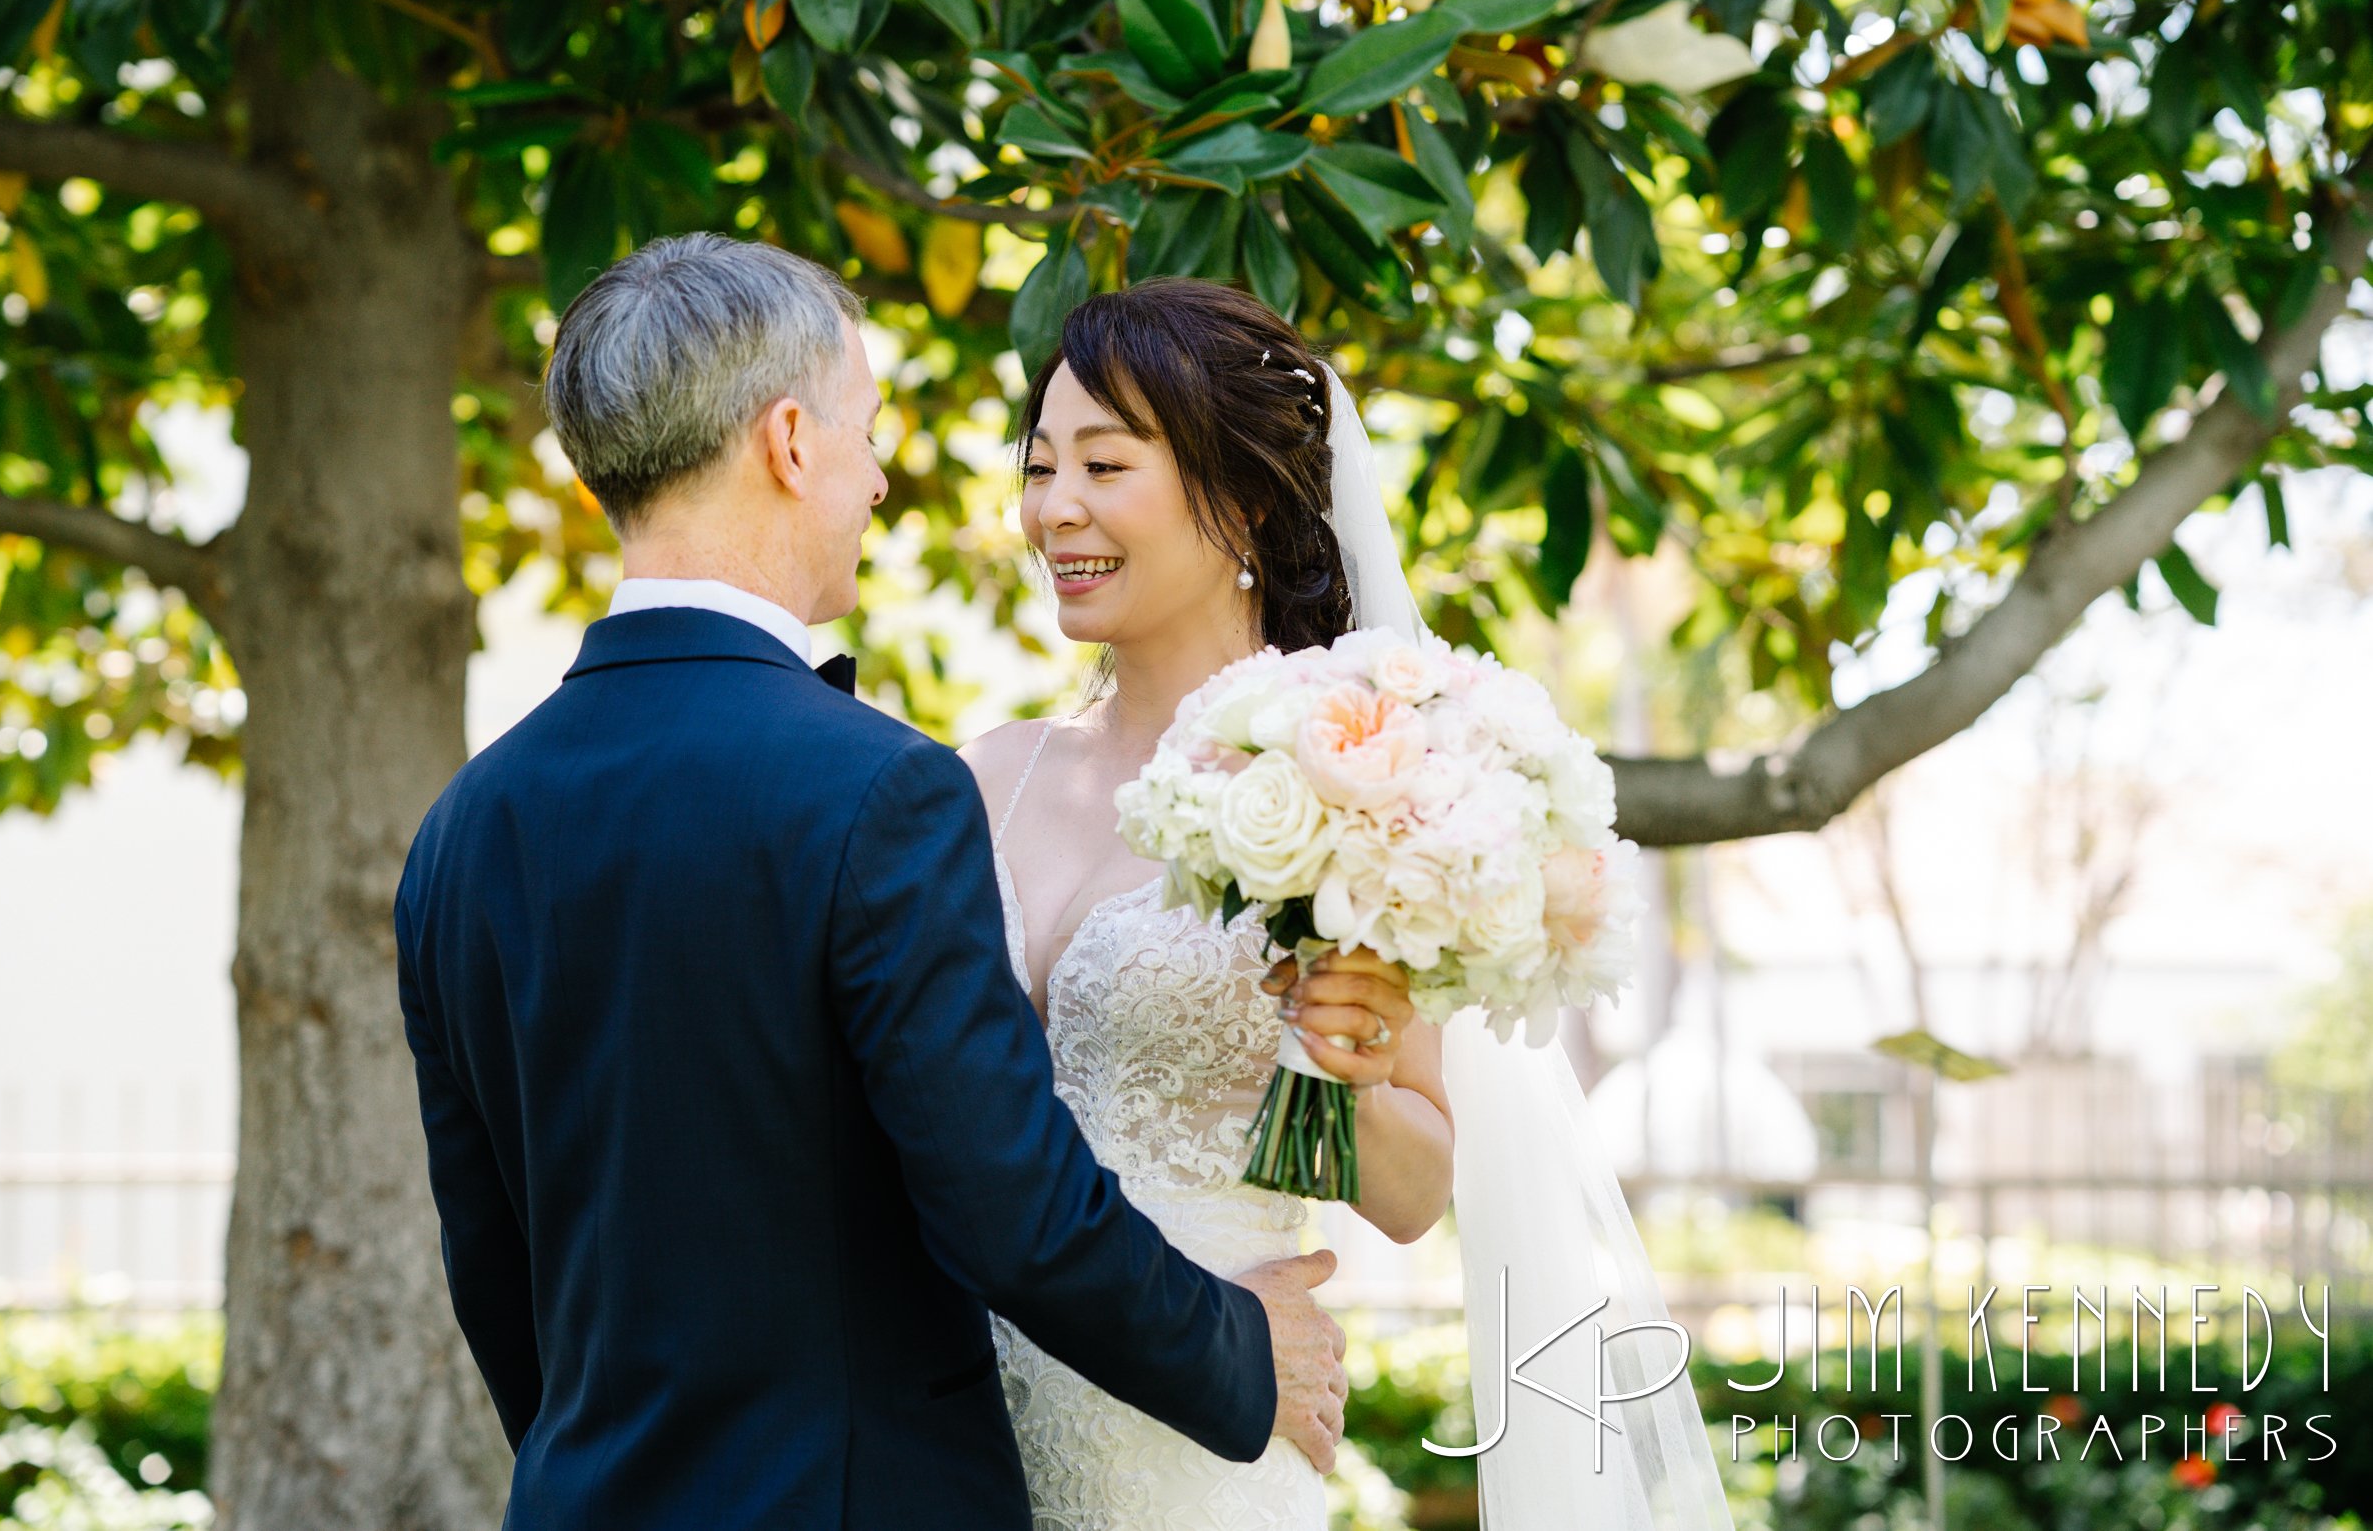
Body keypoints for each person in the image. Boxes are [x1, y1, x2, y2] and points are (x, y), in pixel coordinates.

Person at [392, 236, 1348, 1531]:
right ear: (790, 442)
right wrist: (1240, 1350)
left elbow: (494, 1272)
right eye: (867, 430)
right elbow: (1006, 1203)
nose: (882, 476)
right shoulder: (877, 790)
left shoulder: (462, 830)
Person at [965, 278, 1738, 1531]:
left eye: (1104, 464)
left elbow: (1410, 1190)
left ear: (1250, 503)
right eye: (1041, 464)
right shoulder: (983, 777)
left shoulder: (1358, 781)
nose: (1056, 507)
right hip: (958, 1431)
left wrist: (1354, 1057)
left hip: (1203, 1430)